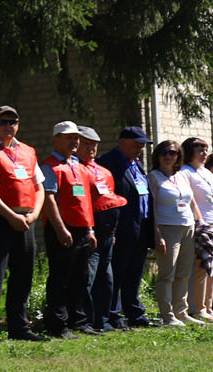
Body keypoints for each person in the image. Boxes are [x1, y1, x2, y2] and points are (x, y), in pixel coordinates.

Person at [0, 105, 45, 342]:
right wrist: (10, 216)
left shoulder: (27, 151)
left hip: (27, 219)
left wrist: (34, 214)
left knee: (23, 274)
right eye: (3, 121)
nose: (8, 126)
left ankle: (19, 326)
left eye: (13, 121)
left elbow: (39, 186)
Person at [39, 122, 93, 338]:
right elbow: (49, 199)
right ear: (56, 139)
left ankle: (79, 321)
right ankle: (57, 325)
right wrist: (60, 229)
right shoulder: (50, 166)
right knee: (61, 278)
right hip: (62, 229)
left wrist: (90, 229)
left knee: (81, 277)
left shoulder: (80, 166)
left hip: (82, 230)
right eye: (68, 137)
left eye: (76, 138)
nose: (74, 141)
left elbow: (85, 201)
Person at [98, 127, 154, 328]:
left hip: (141, 225)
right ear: (122, 142)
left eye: (142, 144)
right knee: (118, 272)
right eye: (136, 143)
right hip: (121, 227)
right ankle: (114, 314)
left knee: (134, 272)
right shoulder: (107, 163)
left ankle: (134, 313)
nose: (140, 148)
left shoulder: (136, 164)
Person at [76, 127, 127, 333]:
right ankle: (84, 321)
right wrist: (90, 230)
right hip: (92, 233)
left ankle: (102, 320)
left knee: (106, 279)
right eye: (87, 144)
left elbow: (111, 200)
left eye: (94, 144)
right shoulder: (77, 170)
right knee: (88, 277)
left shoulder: (104, 171)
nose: (92, 148)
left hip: (109, 233)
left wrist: (113, 231)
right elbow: (81, 202)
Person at [147, 140, 201, 325]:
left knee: (184, 273)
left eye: (173, 153)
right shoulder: (154, 177)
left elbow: (191, 201)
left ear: (179, 156)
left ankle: (181, 312)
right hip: (167, 228)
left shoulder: (182, 176)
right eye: (165, 153)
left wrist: (199, 222)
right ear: (158, 156)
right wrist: (157, 234)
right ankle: (167, 315)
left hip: (188, 227)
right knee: (167, 274)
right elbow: (151, 207)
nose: (169, 157)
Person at [182, 137, 213, 321]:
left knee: (211, 268)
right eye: (199, 149)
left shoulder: (207, 173)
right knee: (200, 266)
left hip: (212, 222)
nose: (203, 153)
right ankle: (196, 307)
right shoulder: (185, 172)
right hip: (200, 224)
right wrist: (199, 220)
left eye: (205, 149)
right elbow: (190, 199)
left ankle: (208, 306)